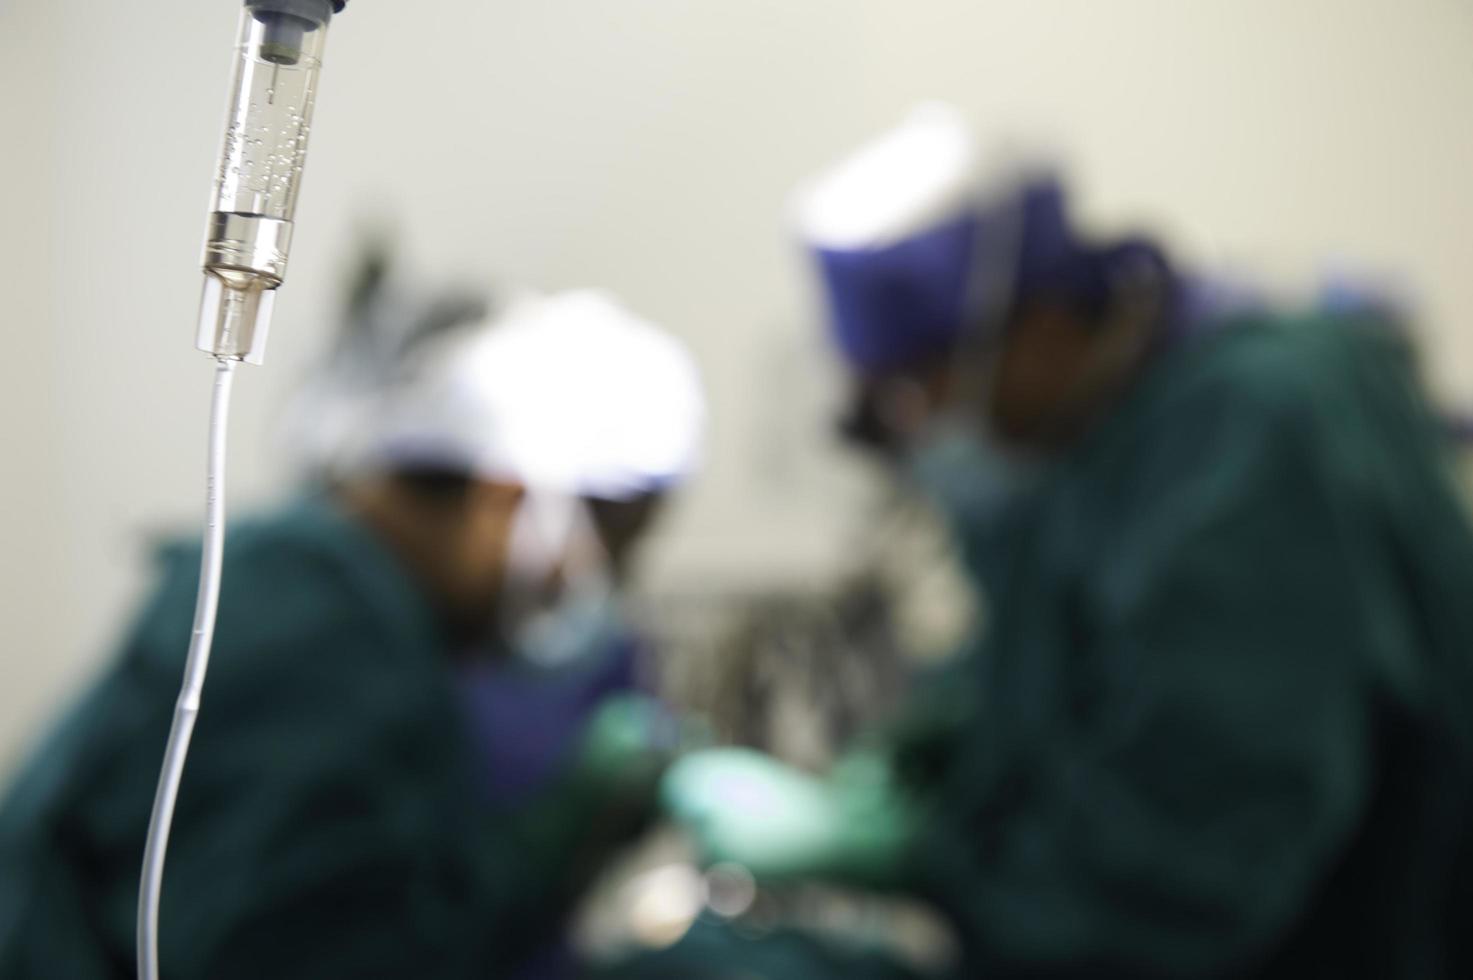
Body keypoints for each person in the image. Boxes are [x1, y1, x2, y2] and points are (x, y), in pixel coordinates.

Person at [644, 104, 1473, 978]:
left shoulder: (1249, 440)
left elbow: (1189, 866)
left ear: (1038, 328)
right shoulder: (1085, 453)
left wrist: (911, 857)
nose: (915, 435)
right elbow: (1073, 693)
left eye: (917, 391)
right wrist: (944, 756)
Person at [0, 288, 703, 979]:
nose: (603, 585)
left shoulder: (344, 605)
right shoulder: (311, 631)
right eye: (614, 547)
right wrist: (549, 855)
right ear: (505, 501)